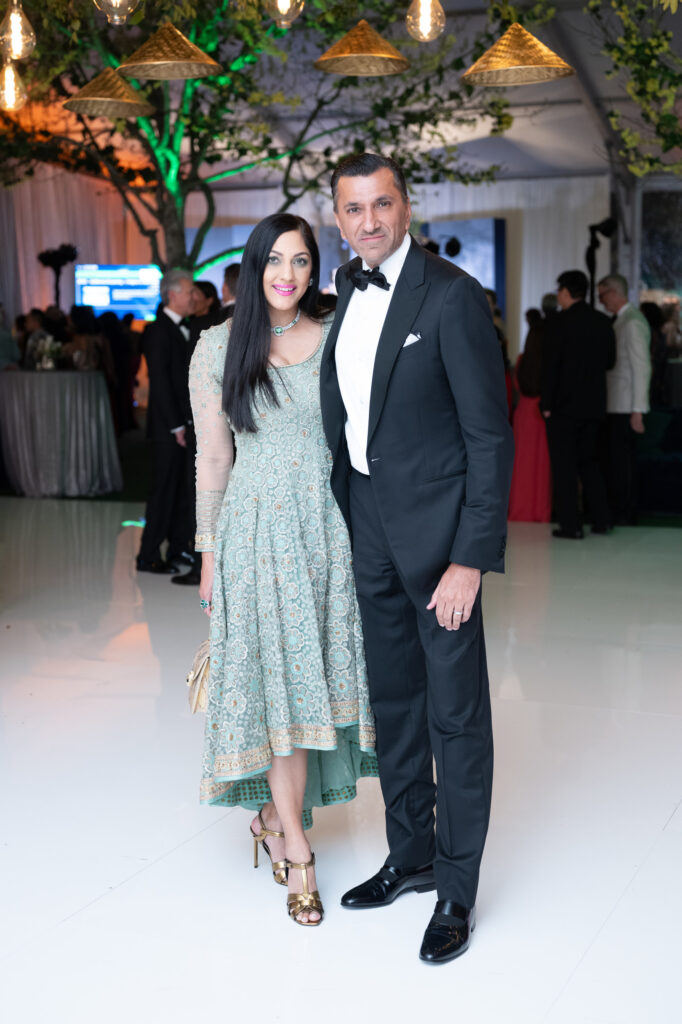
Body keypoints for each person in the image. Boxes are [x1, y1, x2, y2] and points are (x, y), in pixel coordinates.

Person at [320, 152, 513, 964]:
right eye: (354, 208)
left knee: (455, 715)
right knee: (393, 703)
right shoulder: (342, 294)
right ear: (339, 218)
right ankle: (412, 856)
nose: (369, 220)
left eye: (382, 204)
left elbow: (488, 437)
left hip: (439, 544)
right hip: (368, 522)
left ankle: (458, 890)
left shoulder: (453, 298)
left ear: (406, 207)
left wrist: (469, 557)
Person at [189, 212, 376, 927]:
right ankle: (298, 849)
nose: (288, 276)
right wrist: (209, 555)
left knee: (312, 683)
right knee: (279, 689)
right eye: (275, 261)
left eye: (302, 262)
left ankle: (274, 816)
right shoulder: (214, 348)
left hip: (328, 532)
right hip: (256, 534)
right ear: (253, 265)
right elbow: (212, 458)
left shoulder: (333, 339)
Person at [541, 270, 615, 538]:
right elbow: (610, 363)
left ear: (564, 292)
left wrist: (546, 403)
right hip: (594, 405)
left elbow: (551, 367)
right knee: (589, 462)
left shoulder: (557, 323)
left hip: (563, 407)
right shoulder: (603, 322)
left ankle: (571, 525)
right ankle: (602, 520)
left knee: (564, 466)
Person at [137, 270, 196, 574]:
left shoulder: (184, 328)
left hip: (182, 424)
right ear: (172, 295)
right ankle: (148, 555)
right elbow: (160, 383)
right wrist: (176, 426)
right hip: (167, 428)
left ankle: (176, 548)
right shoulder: (158, 330)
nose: (194, 297)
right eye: (189, 292)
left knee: (180, 491)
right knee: (162, 491)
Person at [598, 274, 651, 525]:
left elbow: (642, 367)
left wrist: (638, 409)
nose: (600, 300)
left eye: (602, 294)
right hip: (618, 402)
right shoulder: (623, 321)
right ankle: (622, 509)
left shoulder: (631, 323)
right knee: (617, 461)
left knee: (623, 462)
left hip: (625, 404)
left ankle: (626, 512)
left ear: (614, 292)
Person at [508, 296, 554, 522]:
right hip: (543, 416)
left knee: (522, 467)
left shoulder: (522, 360)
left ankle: (520, 509)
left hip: (524, 416)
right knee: (542, 468)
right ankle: (541, 511)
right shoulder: (550, 365)